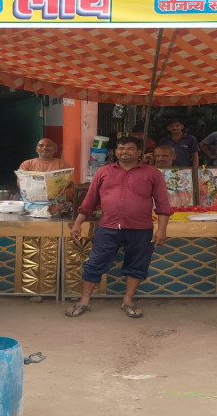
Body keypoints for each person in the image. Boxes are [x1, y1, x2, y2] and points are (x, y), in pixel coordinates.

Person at [67, 136, 171, 319]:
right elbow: (89, 201)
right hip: (108, 227)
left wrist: (162, 229)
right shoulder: (103, 172)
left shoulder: (153, 173)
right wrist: (77, 223)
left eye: (130, 148)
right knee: (95, 263)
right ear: (115, 152)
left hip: (141, 229)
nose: (125, 152)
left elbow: (162, 203)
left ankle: (128, 301)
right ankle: (84, 301)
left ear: (139, 152)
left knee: (137, 265)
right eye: (121, 148)